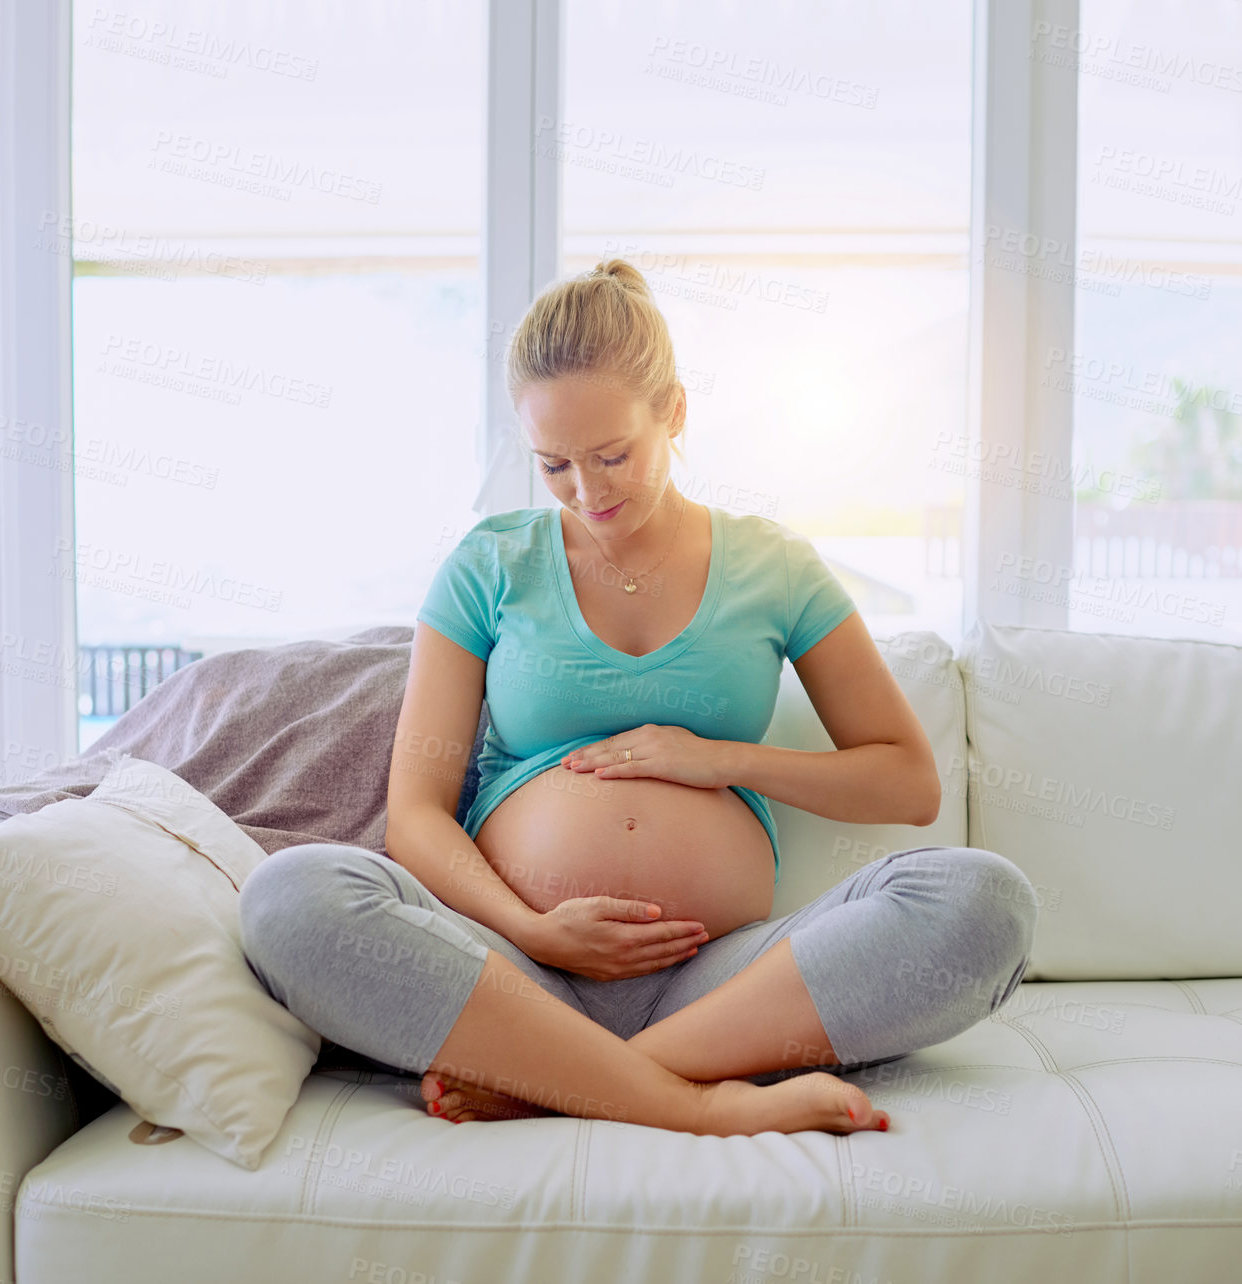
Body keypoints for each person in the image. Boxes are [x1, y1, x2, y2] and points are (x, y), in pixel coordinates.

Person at [238, 258, 1037, 1139]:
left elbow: (907, 783)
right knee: (290, 896)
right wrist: (532, 931)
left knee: (985, 901)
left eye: (613, 454)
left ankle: (551, 1081)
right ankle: (698, 1102)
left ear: (676, 412)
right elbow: (415, 818)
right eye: (554, 466)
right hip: (513, 970)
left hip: (726, 981)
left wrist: (716, 758)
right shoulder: (489, 566)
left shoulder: (774, 565)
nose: (588, 492)